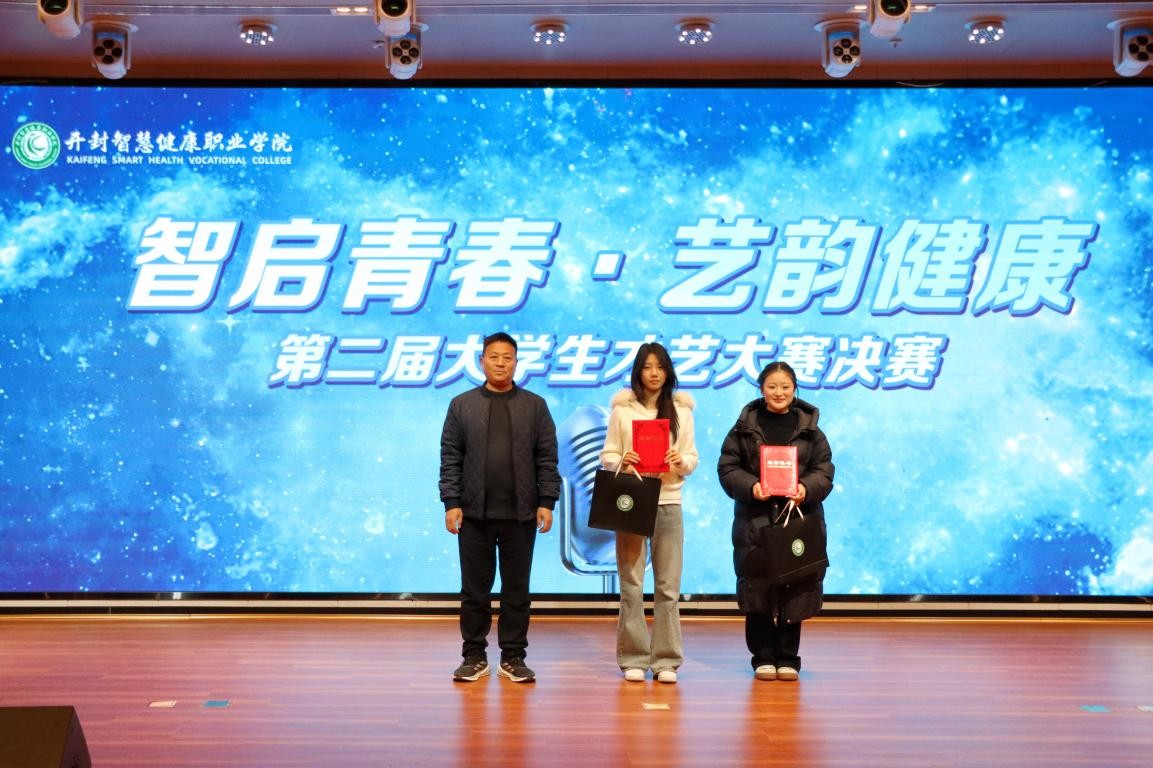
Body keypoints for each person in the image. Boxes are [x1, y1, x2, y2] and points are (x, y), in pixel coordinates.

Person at [439, 332, 560, 684]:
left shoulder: (535, 406)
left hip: (521, 515)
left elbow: (547, 458)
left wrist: (546, 502)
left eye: (508, 357)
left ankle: (514, 657)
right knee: (474, 592)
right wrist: (451, 502)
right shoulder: (462, 405)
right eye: (494, 357)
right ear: (481, 361)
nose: (501, 363)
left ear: (516, 362)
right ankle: (474, 656)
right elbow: (450, 458)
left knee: (516, 591)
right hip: (473, 514)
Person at [717, 361, 834, 682]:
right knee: (758, 587)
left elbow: (824, 470)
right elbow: (727, 468)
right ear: (761, 389)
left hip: (798, 517)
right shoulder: (744, 428)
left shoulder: (811, 430)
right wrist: (751, 487)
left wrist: (805, 488)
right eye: (772, 386)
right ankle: (763, 657)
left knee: (796, 586)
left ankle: (788, 658)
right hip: (755, 521)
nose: (778, 392)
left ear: (794, 389)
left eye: (785, 387)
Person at [599, 342, 698, 684]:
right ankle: (634, 658)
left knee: (668, 586)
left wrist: (680, 461)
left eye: (660, 366)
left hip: (669, 501)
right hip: (632, 501)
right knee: (631, 583)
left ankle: (666, 660)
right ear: (637, 372)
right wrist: (622, 460)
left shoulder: (682, 412)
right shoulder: (622, 411)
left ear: (668, 371)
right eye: (647, 366)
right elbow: (608, 455)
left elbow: (692, 459)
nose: (654, 373)